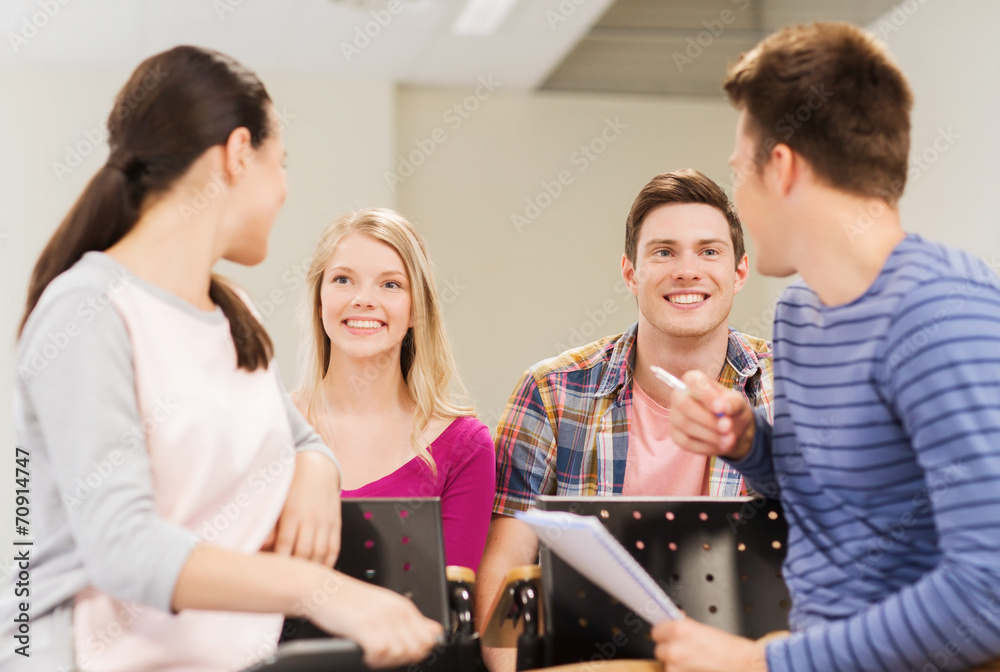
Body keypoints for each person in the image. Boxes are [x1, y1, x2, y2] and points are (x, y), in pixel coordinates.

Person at [2, 46, 441, 671]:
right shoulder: (88, 310)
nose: (286, 189)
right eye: (280, 163)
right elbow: (123, 547)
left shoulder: (234, 317)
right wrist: (323, 591)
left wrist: (318, 468)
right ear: (239, 154)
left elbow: (297, 438)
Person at [656, 22, 1000, 672]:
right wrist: (746, 441)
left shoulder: (943, 312)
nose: (740, 201)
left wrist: (765, 665)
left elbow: (989, 593)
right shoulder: (801, 314)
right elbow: (834, 497)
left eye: (740, 172)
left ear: (781, 168)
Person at [476, 169, 774, 671]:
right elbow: (507, 568)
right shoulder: (551, 392)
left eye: (709, 251)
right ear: (630, 272)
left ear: (740, 272)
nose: (687, 270)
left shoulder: (791, 389)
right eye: (663, 252)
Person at [293, 208, 495, 572]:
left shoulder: (466, 446)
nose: (363, 299)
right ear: (319, 300)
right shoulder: (267, 425)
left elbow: (447, 611)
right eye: (343, 280)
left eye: (390, 284)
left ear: (417, 309)